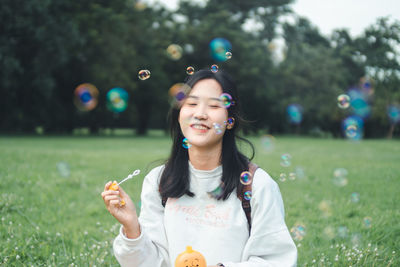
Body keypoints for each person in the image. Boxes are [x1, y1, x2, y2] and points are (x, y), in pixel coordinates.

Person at [101, 69, 297, 267]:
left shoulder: (257, 185)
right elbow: (151, 263)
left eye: (213, 105)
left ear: (230, 121)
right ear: (180, 115)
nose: (200, 114)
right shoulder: (158, 180)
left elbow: (277, 261)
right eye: (192, 103)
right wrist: (132, 228)